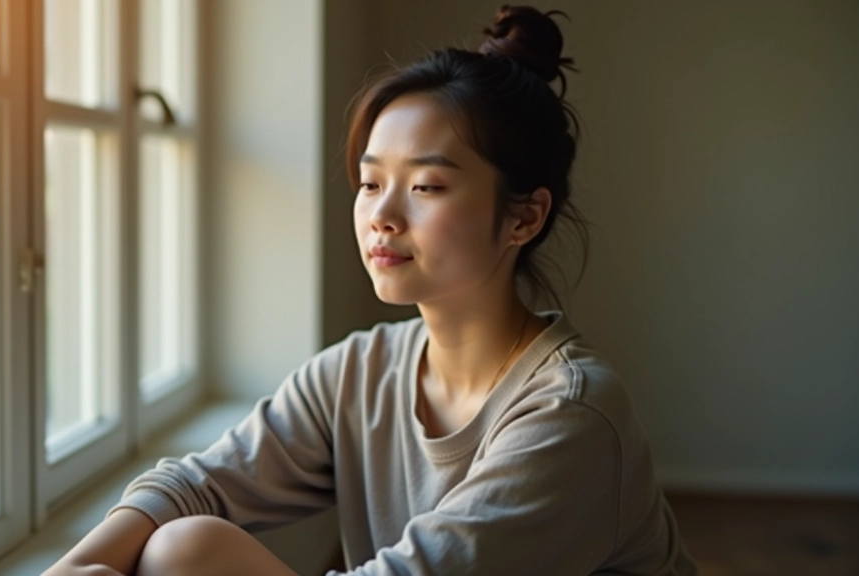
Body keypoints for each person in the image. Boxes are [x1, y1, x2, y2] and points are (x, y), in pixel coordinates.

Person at [44, 5, 699, 575]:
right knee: (177, 548)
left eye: (427, 186)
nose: (382, 215)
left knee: (188, 555)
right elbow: (197, 484)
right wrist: (74, 565)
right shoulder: (360, 373)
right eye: (369, 182)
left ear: (524, 218)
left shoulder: (572, 417)